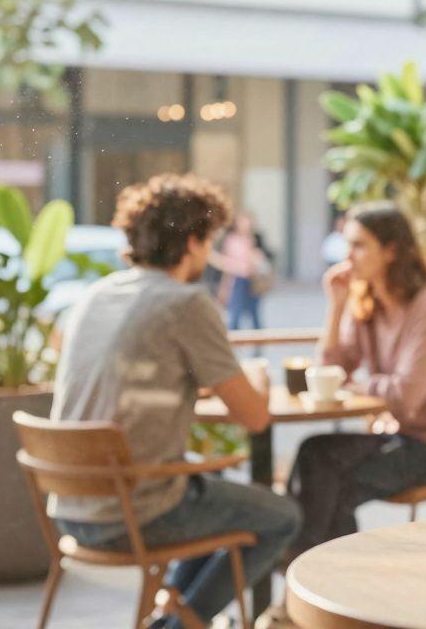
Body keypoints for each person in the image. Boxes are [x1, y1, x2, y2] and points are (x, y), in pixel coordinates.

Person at [49, 174, 301, 628]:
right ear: (191, 242)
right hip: (132, 514)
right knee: (280, 515)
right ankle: (181, 623)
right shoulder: (187, 303)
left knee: (213, 499)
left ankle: (171, 614)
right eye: (209, 241)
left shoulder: (95, 295)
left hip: (68, 508)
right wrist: (257, 378)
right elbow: (254, 416)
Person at [287, 201, 426, 555]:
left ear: (391, 250)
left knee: (332, 484)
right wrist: (335, 305)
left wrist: (355, 385)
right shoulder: (368, 301)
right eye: (347, 245)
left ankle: (306, 581)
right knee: (314, 452)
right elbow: (332, 369)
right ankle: (321, 586)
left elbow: (405, 396)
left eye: (359, 245)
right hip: (399, 437)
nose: (347, 257)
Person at [211, 211, 272, 332]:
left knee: (255, 317)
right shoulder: (231, 240)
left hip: (253, 281)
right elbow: (226, 265)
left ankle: (258, 347)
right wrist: (225, 288)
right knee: (235, 316)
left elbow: (265, 258)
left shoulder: (256, 238)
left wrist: (257, 258)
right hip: (238, 280)